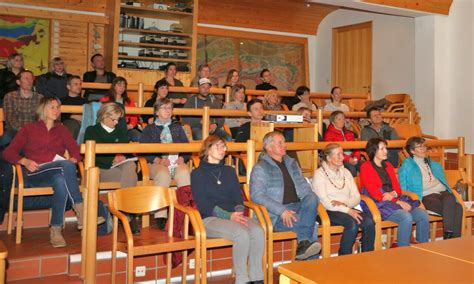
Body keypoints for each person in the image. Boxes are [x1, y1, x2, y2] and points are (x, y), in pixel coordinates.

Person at [3, 97, 84, 248]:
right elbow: (8, 153)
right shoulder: (28, 129)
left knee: (61, 180)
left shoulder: (62, 129)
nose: (56, 110)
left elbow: (76, 152)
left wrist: (74, 158)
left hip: (55, 172)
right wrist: (24, 161)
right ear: (42, 110)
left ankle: (55, 230)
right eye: (52, 107)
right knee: (65, 166)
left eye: (58, 107)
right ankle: (81, 211)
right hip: (34, 173)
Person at [192, 135, 264, 284]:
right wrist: (229, 216)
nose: (222, 149)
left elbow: (238, 197)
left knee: (257, 230)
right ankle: (242, 279)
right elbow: (204, 204)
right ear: (207, 149)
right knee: (242, 233)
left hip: (234, 216)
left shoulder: (229, 171)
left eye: (224, 146)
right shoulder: (197, 174)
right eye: (217, 146)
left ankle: (257, 277)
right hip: (210, 219)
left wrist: (237, 212)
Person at [250, 131, 321, 260]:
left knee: (312, 197)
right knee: (312, 226)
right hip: (276, 215)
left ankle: (303, 243)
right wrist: (281, 210)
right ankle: (310, 268)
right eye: (280, 142)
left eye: (284, 142)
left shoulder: (292, 163)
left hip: (298, 208)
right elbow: (257, 195)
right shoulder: (261, 167)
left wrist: (309, 198)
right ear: (269, 147)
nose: (284, 145)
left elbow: (304, 188)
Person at [360, 137, 429, 247]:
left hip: (393, 199)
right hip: (377, 203)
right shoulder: (366, 167)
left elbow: (397, 187)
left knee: (422, 214)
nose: (386, 151)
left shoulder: (388, 165)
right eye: (382, 149)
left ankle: (424, 248)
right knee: (406, 217)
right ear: (374, 151)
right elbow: (375, 193)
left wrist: (394, 195)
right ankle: (402, 250)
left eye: (385, 148)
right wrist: (397, 201)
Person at [84, 102, 139, 233]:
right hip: (100, 170)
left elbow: (127, 152)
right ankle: (129, 214)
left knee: (130, 164)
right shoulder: (92, 130)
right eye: (113, 119)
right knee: (130, 175)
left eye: (118, 119)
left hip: (120, 168)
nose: (116, 122)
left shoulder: (121, 131)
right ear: (103, 116)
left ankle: (127, 213)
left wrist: (123, 156)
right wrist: (111, 159)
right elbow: (90, 156)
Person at [312, 143, 375, 255]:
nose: (343, 157)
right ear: (328, 158)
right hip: (327, 211)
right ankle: (344, 257)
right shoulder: (319, 174)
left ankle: (367, 255)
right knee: (352, 223)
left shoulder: (346, 172)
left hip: (346, 207)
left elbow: (356, 197)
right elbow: (324, 201)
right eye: (338, 154)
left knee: (369, 222)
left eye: (342, 154)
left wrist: (344, 204)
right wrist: (347, 210)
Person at [140, 98, 191, 229]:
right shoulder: (149, 129)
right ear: (157, 111)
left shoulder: (177, 127)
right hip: (157, 163)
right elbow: (142, 150)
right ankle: (160, 215)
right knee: (163, 175)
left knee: (185, 172)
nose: (168, 111)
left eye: (170, 108)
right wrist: (157, 160)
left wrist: (183, 158)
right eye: (164, 108)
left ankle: (184, 212)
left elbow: (187, 147)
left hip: (176, 161)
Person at [398, 137, 463, 239]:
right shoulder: (406, 166)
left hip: (442, 193)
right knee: (457, 207)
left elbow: (443, 182)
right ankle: (453, 239)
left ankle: (449, 235)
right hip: (424, 196)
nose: (424, 149)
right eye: (420, 147)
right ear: (412, 151)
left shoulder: (434, 164)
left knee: (451, 198)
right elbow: (402, 187)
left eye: (424, 146)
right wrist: (407, 201)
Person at [2, 70, 43, 145]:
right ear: (18, 82)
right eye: (26, 78)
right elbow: (10, 118)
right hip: (14, 130)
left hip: (34, 131)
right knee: (5, 141)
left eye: (31, 78)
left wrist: (34, 130)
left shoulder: (39, 97)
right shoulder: (10, 96)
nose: (29, 81)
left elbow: (41, 117)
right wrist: (23, 130)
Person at [100, 77, 141, 141]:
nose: (122, 88)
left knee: (138, 136)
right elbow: (102, 116)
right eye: (119, 85)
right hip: (110, 127)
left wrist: (131, 125)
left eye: (124, 86)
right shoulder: (105, 100)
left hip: (126, 128)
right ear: (113, 86)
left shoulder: (129, 101)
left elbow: (134, 117)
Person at [323, 111, 361, 176]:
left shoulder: (349, 133)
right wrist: (348, 159)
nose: (342, 121)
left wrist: (356, 157)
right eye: (339, 119)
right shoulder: (329, 135)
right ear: (333, 122)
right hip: (339, 159)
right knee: (352, 169)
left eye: (343, 119)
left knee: (365, 166)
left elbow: (356, 147)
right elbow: (332, 152)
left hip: (352, 158)